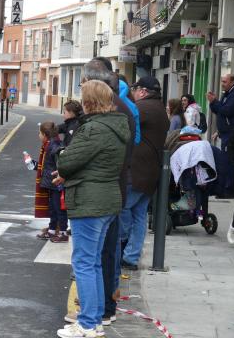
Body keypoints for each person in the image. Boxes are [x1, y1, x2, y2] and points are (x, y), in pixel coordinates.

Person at [54, 80, 130, 338]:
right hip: (108, 198)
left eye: (83, 97)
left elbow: (68, 162)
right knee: (94, 262)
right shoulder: (117, 125)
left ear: (89, 102)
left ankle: (86, 323)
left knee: (84, 263)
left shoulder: (93, 129)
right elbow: (95, 161)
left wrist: (62, 157)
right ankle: (95, 320)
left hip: (90, 201)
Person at [121, 76, 169, 271]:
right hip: (151, 172)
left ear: (142, 91)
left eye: (134, 90)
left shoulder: (142, 109)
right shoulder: (160, 109)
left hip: (137, 171)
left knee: (123, 209)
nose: (132, 93)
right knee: (139, 215)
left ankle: (122, 248)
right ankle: (131, 257)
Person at [35, 121, 68, 243]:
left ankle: (63, 233)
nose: (38, 135)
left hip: (56, 183)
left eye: (39, 133)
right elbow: (47, 165)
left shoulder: (53, 146)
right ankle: (52, 230)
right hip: (52, 182)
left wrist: (60, 174)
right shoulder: (50, 144)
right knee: (53, 208)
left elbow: (59, 160)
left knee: (59, 209)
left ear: (44, 134)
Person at [207, 74, 234, 152]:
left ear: (232, 82)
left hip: (231, 134)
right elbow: (219, 111)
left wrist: (215, 102)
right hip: (224, 134)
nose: (222, 84)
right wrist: (212, 102)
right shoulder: (226, 93)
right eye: (222, 82)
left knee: (228, 160)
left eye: (224, 82)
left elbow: (227, 111)